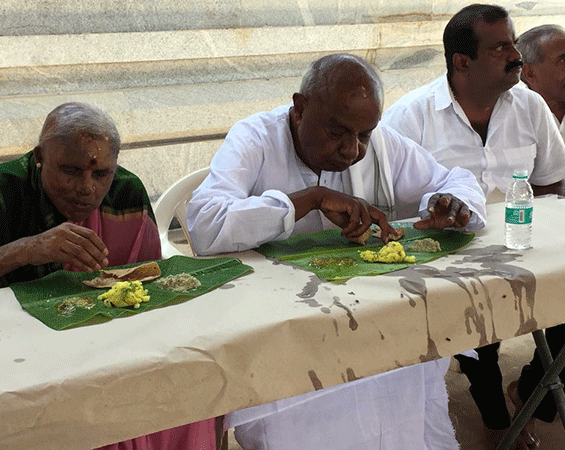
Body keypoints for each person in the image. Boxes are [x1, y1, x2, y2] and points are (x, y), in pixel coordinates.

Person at [186, 53, 487, 449]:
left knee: (402, 390)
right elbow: (204, 223)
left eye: (364, 135)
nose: (352, 150)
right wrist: (307, 200)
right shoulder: (256, 138)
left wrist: (449, 202)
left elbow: (455, 180)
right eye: (337, 132)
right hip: (286, 336)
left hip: (374, 323)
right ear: (299, 109)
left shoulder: (381, 144)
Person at [0, 102, 219, 450]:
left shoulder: (125, 194)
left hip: (112, 350)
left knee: (187, 391)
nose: (86, 188)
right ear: (39, 157)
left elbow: (150, 291)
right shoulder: (0, 192)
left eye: (101, 174)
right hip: (14, 359)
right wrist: (25, 249)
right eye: (70, 171)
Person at [381, 5, 565, 448]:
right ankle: (496, 416)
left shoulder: (530, 107)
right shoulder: (410, 118)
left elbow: (551, 182)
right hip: (446, 263)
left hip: (523, 247)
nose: (516, 55)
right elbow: (388, 209)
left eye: (514, 43)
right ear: (462, 62)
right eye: (500, 47)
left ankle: (531, 395)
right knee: (475, 323)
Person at [506, 22, 565, 439]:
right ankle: (529, 395)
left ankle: (531, 392)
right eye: (564, 60)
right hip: (517, 239)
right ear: (530, 71)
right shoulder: (513, 114)